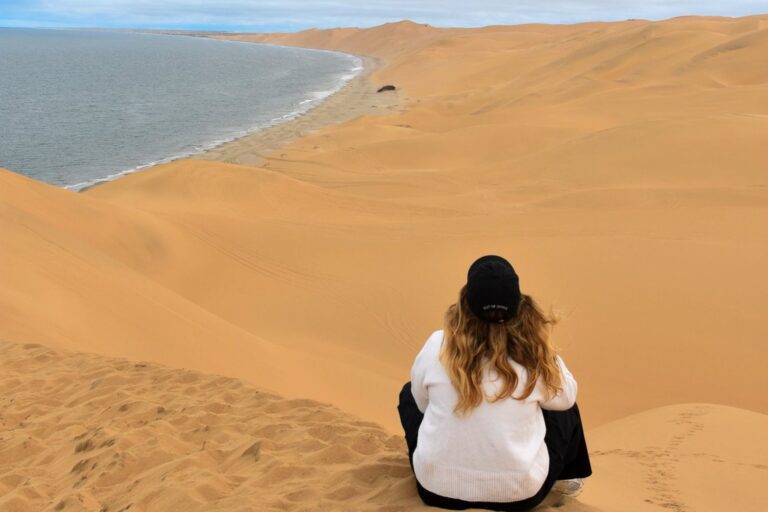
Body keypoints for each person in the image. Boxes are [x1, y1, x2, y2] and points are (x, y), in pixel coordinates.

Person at [397, 255, 592, 510]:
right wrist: (541, 346)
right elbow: (567, 398)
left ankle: (444, 459)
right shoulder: (532, 355)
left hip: (436, 491)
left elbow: (422, 405)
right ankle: (565, 481)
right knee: (563, 407)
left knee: (408, 394)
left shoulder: (438, 344)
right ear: (520, 305)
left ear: (464, 302)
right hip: (517, 496)